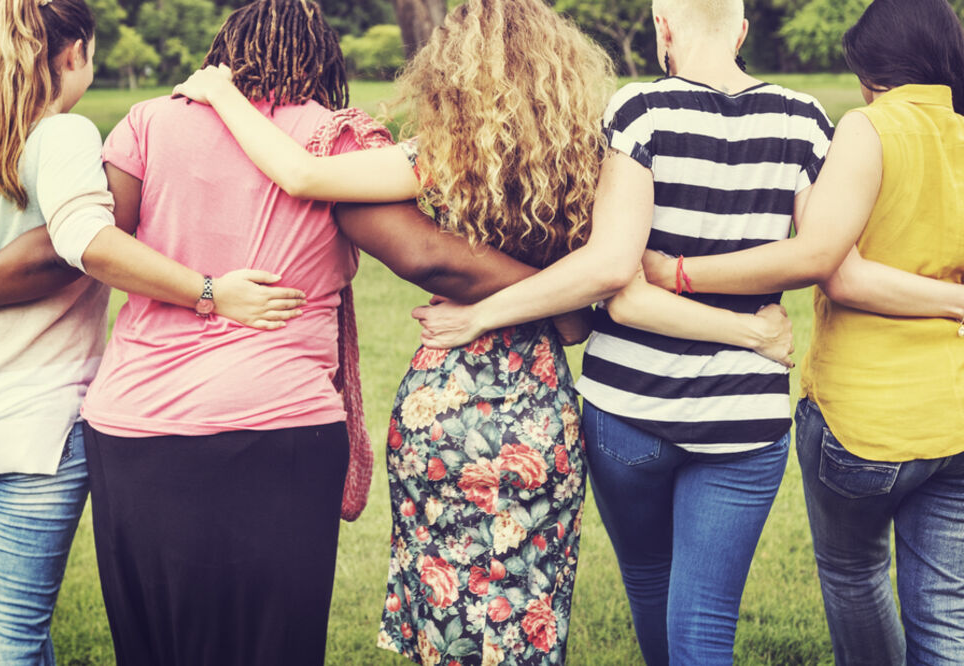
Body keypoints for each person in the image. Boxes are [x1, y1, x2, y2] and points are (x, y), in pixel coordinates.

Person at [173, 1, 800, 663]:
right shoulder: (591, 162)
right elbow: (590, 305)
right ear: (562, 70)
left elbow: (302, 175)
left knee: (446, 615)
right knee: (524, 612)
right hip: (537, 409)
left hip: (443, 398)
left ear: (452, 70)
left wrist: (222, 92)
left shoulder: (443, 157)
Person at [408, 0, 855, 662]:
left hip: (628, 414)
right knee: (704, 620)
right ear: (742, 30)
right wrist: (753, 335)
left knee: (650, 585)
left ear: (662, 27)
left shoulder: (640, 111)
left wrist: (478, 314)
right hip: (743, 417)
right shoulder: (805, 120)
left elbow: (612, 273)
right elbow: (819, 253)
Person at [0, 0, 299, 663]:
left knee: (14, 633)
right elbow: (85, 241)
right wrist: (210, 291)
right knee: (8, 642)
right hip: (34, 430)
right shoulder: (64, 136)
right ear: (75, 53)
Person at [636, 0, 964, 663]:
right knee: (945, 608)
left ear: (874, 67)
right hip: (953, 417)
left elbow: (829, 267)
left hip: (862, 419)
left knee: (854, 571)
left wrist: (677, 271)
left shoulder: (869, 129)